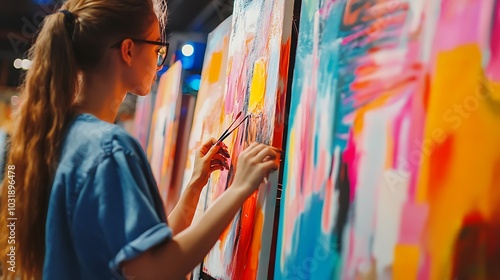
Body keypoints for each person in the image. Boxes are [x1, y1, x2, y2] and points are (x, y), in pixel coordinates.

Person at [0, 0, 279, 279]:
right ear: (129, 50)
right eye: (158, 48)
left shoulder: (61, 136)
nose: (159, 63)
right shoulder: (109, 149)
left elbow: (141, 253)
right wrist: (238, 188)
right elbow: (155, 270)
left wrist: (195, 185)